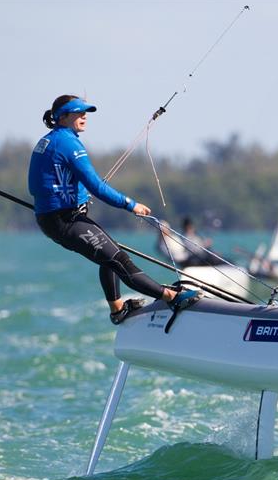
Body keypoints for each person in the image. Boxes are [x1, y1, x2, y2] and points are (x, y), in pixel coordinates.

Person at [28, 94, 200, 324]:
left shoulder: (47, 140)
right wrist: (131, 205)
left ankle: (118, 310)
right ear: (63, 116)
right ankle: (172, 297)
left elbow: (35, 185)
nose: (84, 117)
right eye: (79, 112)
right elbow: (96, 186)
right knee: (120, 261)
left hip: (53, 218)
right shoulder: (68, 143)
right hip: (66, 220)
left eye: (85, 112)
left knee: (109, 256)